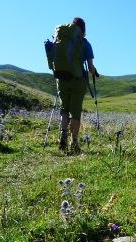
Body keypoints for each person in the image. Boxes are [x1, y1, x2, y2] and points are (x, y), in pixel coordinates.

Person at [57, 17, 98, 154]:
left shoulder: (61, 39)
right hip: (77, 80)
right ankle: (74, 143)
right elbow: (90, 68)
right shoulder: (85, 43)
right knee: (75, 112)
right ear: (83, 29)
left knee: (64, 108)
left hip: (61, 78)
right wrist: (95, 72)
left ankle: (62, 135)